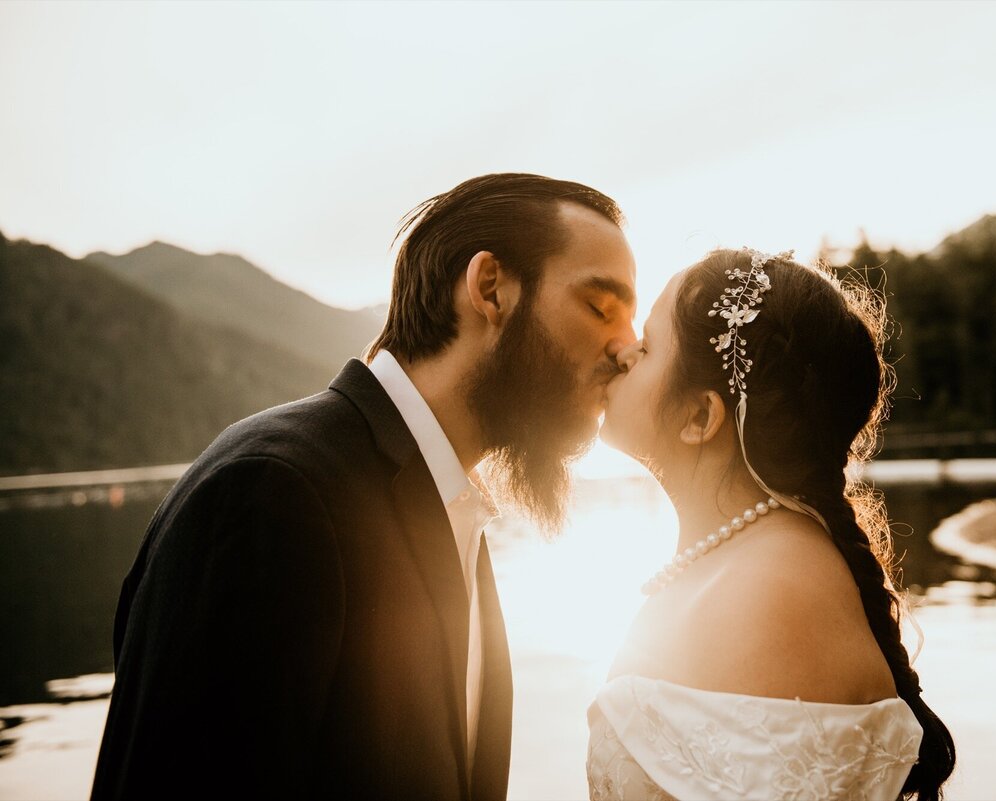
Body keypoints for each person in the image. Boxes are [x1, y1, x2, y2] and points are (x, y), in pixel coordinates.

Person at [90, 173, 638, 801]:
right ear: (491, 289)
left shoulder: (452, 507)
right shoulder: (274, 491)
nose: (627, 347)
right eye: (601, 307)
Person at [589, 249, 955, 800]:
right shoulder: (752, 563)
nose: (622, 354)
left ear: (699, 417)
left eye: (648, 345)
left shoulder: (771, 594)